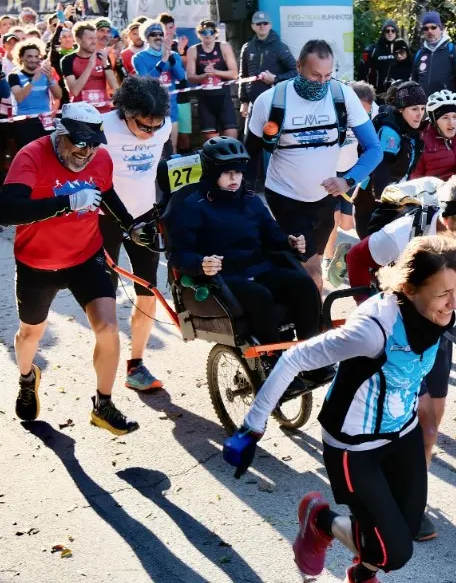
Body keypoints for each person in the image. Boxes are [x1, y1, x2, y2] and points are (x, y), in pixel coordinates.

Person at [223, 235, 456, 581]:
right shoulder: (372, 331)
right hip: (355, 446)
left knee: (407, 526)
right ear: (411, 289)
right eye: (443, 293)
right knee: (394, 552)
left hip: (403, 432)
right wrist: (252, 426)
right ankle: (321, 521)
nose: (453, 303)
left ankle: (362, 573)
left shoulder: (446, 315)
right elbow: (293, 357)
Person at [346, 175, 456, 541]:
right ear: (448, 220)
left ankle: (411, 501)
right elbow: (357, 257)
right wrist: (369, 318)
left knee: (429, 426)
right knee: (393, 425)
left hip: (436, 331)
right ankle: (384, 495)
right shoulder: (406, 232)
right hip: (396, 336)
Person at [1, 102, 156, 435]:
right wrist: (66, 203)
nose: (86, 151)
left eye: (94, 142)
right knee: (30, 334)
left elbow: (107, 191)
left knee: (108, 327)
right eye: (79, 142)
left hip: (86, 256)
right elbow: (7, 210)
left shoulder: (100, 157)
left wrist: (130, 226)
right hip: (37, 262)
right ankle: (27, 378)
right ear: (60, 135)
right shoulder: (31, 156)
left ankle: (104, 404)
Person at [246, 39, 382, 289]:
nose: (321, 83)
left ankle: (301, 316)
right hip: (285, 196)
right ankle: (315, 326)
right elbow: (251, 154)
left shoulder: (342, 95)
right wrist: (246, 199)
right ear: (298, 66)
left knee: (312, 266)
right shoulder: (271, 100)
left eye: (327, 76)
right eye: (315, 75)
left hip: (324, 199)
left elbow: (374, 149)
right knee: (309, 272)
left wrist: (348, 180)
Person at [167, 137, 320, 347]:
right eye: (227, 172)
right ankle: (274, 360)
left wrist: (289, 242)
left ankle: (310, 351)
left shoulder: (250, 200)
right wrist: (201, 263)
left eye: (238, 172)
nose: (234, 178)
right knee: (261, 297)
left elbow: (272, 234)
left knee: (305, 285)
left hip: (258, 268)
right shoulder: (193, 206)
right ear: (212, 172)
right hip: (222, 277)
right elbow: (178, 254)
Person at [100, 76, 174, 391]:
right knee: (103, 297)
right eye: (144, 126)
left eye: (155, 128)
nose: (150, 134)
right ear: (125, 112)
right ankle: (104, 368)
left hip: (144, 215)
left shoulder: (164, 126)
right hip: (105, 220)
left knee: (148, 290)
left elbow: (166, 169)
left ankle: (136, 364)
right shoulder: (102, 127)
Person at [353, 81, 427, 236]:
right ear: (401, 109)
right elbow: (381, 166)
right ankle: (346, 257)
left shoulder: (411, 128)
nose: (419, 113)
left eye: (422, 108)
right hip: (373, 197)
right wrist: (384, 202)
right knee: (372, 250)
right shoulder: (390, 130)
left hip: (396, 194)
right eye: (414, 109)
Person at [320, 80, 376, 282]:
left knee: (347, 224)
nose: (362, 116)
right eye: (358, 109)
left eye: (366, 111)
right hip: (331, 172)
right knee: (333, 220)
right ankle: (327, 261)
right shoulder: (335, 113)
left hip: (353, 174)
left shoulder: (372, 118)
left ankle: (343, 254)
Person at [239, 11, 297, 183]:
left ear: (270, 25)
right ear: (253, 26)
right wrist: (243, 101)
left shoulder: (279, 47)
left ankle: (276, 181)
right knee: (251, 145)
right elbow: (243, 76)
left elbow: (295, 72)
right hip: (253, 104)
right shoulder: (247, 47)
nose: (262, 26)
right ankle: (249, 184)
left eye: (265, 23)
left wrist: (276, 79)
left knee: (276, 144)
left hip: (274, 104)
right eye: (258, 23)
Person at [131, 20, 186, 154]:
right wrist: (163, 62)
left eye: (160, 34)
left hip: (171, 106)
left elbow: (181, 77)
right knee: (156, 149)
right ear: (147, 38)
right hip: (152, 108)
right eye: (153, 34)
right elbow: (147, 81)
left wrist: (171, 58)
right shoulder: (139, 58)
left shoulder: (174, 56)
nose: (158, 37)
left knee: (172, 147)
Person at [186, 19, 239, 139]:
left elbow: (234, 74)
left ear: (216, 33)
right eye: (204, 32)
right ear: (199, 35)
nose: (207, 35)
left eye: (210, 32)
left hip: (223, 99)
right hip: (205, 101)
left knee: (232, 139)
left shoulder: (224, 47)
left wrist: (215, 72)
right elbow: (190, 77)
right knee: (212, 145)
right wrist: (205, 76)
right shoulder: (193, 50)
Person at [7, 39, 62, 149]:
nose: (34, 60)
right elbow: (19, 97)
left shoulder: (45, 74)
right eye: (29, 56)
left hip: (45, 122)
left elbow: (58, 95)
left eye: (36, 56)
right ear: (21, 57)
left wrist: (50, 78)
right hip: (24, 123)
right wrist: (33, 80)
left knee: (49, 154)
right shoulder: (14, 76)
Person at [59, 21, 118, 113]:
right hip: (81, 112)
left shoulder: (102, 57)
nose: (94, 42)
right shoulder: (68, 60)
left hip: (103, 111)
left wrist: (105, 65)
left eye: (95, 38)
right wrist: (90, 66)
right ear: (78, 40)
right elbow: (75, 91)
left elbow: (114, 87)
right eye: (90, 38)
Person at [157, 13, 193, 154]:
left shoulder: (181, 44)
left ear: (174, 27)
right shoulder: (155, 48)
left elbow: (185, 71)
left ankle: (185, 166)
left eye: (170, 27)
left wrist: (180, 52)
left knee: (183, 135)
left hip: (181, 94)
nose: (167, 30)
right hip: (163, 96)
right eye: (164, 27)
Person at [410, 11, 456, 94]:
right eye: (426, 28)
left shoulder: (452, 51)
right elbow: (414, 83)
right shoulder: (419, 54)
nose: (430, 31)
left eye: (433, 27)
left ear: (441, 29)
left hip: (448, 104)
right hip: (424, 105)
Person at [366, 19, 402, 94]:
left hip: (397, 92)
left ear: (396, 32)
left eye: (393, 31)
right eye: (387, 31)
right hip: (378, 93)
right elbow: (364, 73)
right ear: (383, 33)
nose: (390, 33)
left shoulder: (402, 50)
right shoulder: (373, 50)